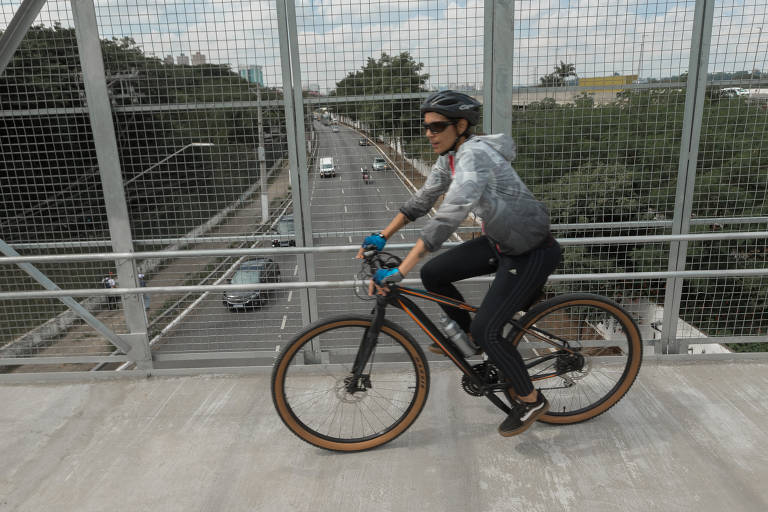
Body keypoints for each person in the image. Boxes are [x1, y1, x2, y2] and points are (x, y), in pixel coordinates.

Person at [357, 90, 562, 437]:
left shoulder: (474, 156)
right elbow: (424, 199)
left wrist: (400, 270)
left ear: (461, 125)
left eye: (437, 127)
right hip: (502, 243)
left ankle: (529, 399)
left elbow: (449, 214)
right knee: (434, 273)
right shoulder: (449, 158)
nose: (429, 134)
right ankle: (472, 339)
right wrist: (383, 234)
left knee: (488, 328)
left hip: (530, 251)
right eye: (426, 127)